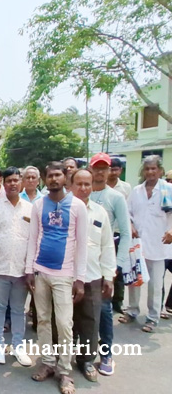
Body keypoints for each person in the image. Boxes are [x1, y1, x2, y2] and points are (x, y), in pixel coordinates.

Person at [25, 161, 87, 394]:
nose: (53, 179)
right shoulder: (39, 205)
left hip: (65, 275)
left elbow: (82, 244)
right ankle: (48, 363)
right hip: (40, 272)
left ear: (65, 177)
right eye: (50, 176)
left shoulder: (77, 206)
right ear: (45, 178)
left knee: (64, 324)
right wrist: (29, 270)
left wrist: (80, 279)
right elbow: (33, 238)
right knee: (42, 320)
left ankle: (65, 370)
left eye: (58, 175)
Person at [71, 170, 117, 382]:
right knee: (63, 321)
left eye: (87, 184)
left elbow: (107, 246)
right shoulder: (64, 210)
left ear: (92, 186)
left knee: (90, 320)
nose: (83, 188)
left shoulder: (100, 212)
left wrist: (108, 276)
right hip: (67, 276)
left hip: (93, 276)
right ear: (71, 185)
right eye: (79, 184)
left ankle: (86, 360)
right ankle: (61, 359)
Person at [88, 153, 131, 376]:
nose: (100, 172)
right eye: (96, 168)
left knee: (104, 310)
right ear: (90, 169)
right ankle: (84, 352)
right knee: (82, 310)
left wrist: (117, 266)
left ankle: (106, 354)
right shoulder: (81, 194)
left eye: (104, 168)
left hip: (105, 261)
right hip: (83, 263)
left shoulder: (116, 197)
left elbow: (125, 233)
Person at [0, 168, 33, 366]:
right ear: (3, 183)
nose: (13, 184)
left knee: (19, 310)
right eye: (9, 181)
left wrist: (30, 269)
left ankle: (18, 346)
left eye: (16, 180)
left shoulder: (30, 209)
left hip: (21, 270)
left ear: (21, 182)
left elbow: (33, 241)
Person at [120, 155, 172, 334]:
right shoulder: (136, 191)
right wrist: (131, 225)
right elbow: (127, 213)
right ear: (143, 171)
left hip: (159, 245)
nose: (150, 172)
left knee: (155, 285)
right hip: (137, 244)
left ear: (160, 170)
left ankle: (152, 318)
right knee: (135, 280)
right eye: (147, 169)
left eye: (153, 168)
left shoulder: (168, 189)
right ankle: (132, 311)